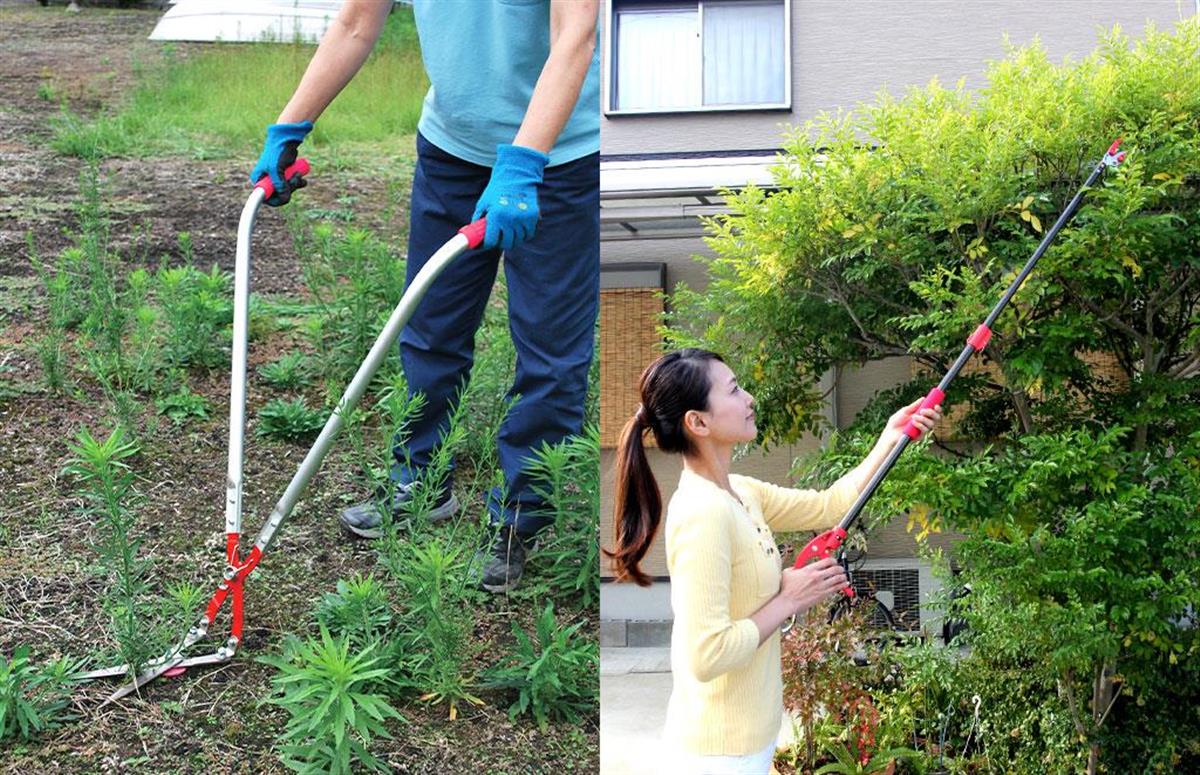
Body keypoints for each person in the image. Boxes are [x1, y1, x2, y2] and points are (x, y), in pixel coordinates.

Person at [250, 0, 600, 593]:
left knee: (550, 354)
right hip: (451, 150)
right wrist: (290, 127)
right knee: (430, 327)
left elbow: (576, 36)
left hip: (559, 157)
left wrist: (524, 163)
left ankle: (523, 518)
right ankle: (420, 480)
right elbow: (357, 22)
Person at [608, 349, 942, 773]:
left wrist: (890, 437)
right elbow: (706, 655)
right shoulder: (702, 513)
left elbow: (830, 504)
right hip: (718, 754)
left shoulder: (742, 493)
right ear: (698, 422)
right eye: (733, 390)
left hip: (752, 740)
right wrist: (789, 600)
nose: (749, 398)